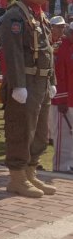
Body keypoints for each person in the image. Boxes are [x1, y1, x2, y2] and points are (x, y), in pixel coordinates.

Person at [0, 0, 57, 197]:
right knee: (21, 129)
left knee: (40, 131)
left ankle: (31, 173)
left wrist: (52, 79)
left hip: (41, 82)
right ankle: (17, 177)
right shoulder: (16, 16)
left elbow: (48, 51)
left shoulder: (40, 15)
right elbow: (12, 52)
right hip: (26, 82)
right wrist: (18, 84)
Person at [52, 23, 73, 172]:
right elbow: (58, 75)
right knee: (63, 135)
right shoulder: (61, 47)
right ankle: (60, 166)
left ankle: (69, 165)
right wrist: (61, 99)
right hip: (64, 100)